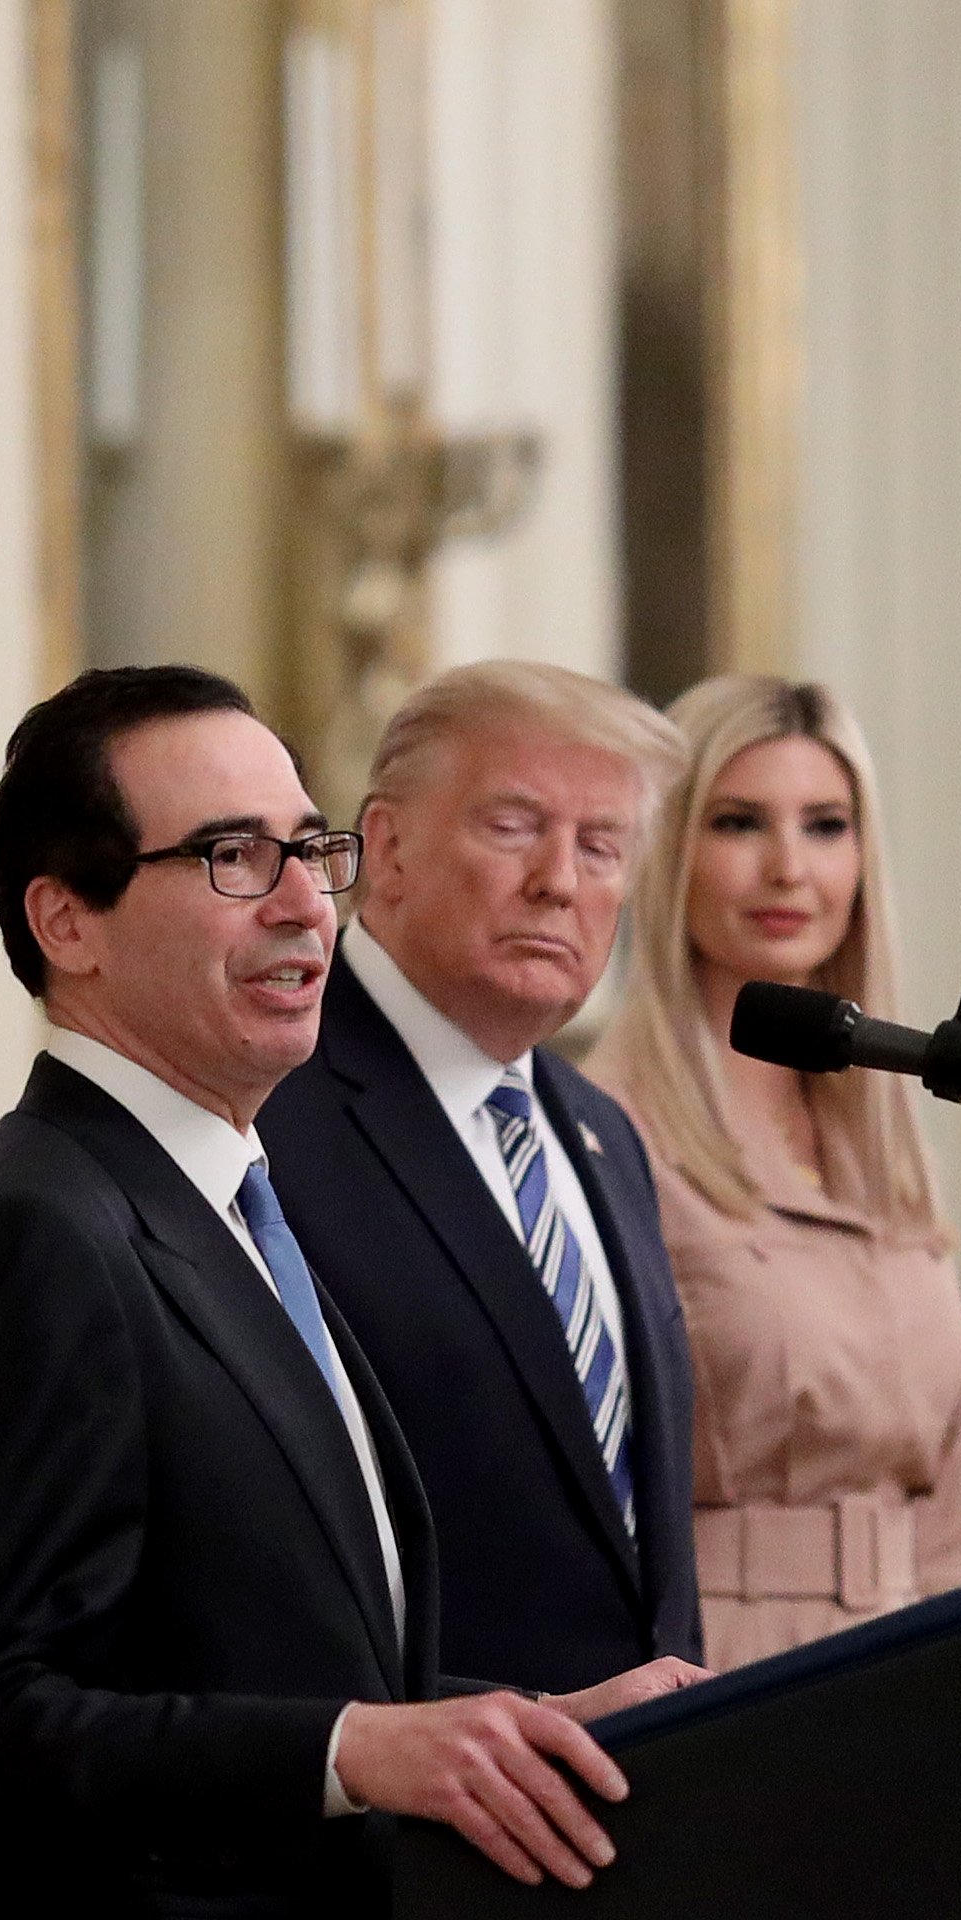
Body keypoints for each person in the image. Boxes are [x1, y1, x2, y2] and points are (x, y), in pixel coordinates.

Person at [0, 665, 702, 1920]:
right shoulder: (35, 1230)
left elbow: (294, 1648)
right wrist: (357, 1749)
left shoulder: (227, 1191)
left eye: (307, 849)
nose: (307, 902)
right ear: (66, 920)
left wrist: (533, 1714)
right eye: (229, 856)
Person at [258, 663, 705, 1693]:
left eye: (600, 846)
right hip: (411, 1821)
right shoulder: (271, 1110)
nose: (559, 878)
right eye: (512, 826)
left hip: (651, 1807)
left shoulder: (598, 1131)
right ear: (393, 845)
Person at [591, 675, 961, 1669]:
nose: (787, 867)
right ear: (665, 846)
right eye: (737, 822)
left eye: (824, 824)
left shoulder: (888, 1134)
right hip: (725, 1668)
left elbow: (954, 1507)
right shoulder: (603, 1129)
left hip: (925, 1660)